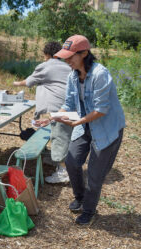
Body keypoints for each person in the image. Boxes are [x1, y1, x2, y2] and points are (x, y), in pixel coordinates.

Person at [53, 35, 125, 225]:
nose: (67, 61)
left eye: (71, 57)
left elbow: (101, 109)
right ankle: (80, 196)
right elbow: (68, 103)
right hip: (85, 125)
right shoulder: (72, 76)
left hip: (106, 128)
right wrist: (52, 118)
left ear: (84, 53)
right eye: (65, 57)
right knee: (71, 161)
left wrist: (77, 123)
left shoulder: (100, 74)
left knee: (95, 174)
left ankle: (89, 211)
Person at [13, 41, 72, 183]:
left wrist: (15, 83)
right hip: (71, 106)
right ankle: (59, 161)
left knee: (59, 137)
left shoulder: (45, 66)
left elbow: (28, 82)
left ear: (46, 54)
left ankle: (63, 172)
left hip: (59, 108)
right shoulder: (67, 67)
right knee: (64, 136)